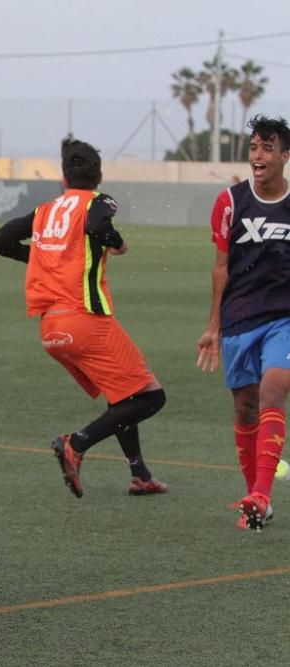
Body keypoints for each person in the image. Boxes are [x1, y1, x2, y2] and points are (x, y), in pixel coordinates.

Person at [0, 137, 168, 500]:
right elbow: (98, 224)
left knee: (122, 396)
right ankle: (77, 442)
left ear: (64, 177)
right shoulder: (99, 201)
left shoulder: (44, 211)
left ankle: (140, 474)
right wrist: (116, 242)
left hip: (50, 328)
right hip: (85, 320)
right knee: (151, 397)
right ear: (99, 175)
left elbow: (0, 239)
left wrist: (41, 261)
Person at [196, 115, 290, 530]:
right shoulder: (230, 202)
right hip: (238, 318)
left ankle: (262, 493)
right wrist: (213, 326)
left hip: (283, 318)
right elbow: (221, 269)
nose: (258, 155)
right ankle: (257, 501)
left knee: (274, 389)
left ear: (285, 156)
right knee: (245, 407)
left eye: (267, 148)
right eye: (253, 147)